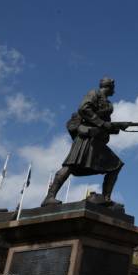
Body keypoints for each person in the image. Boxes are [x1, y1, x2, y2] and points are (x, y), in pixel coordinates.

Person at [41, 77, 126, 207]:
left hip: (97, 141)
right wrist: (102, 123)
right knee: (70, 166)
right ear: (109, 87)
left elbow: (104, 126)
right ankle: (49, 197)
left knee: (116, 165)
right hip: (86, 137)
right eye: (113, 87)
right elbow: (84, 109)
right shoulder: (94, 94)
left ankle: (106, 198)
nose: (115, 90)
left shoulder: (108, 104)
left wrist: (116, 127)